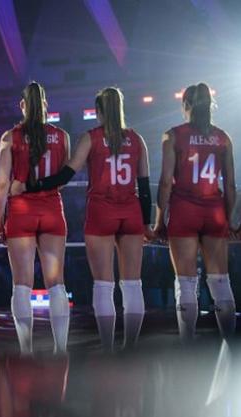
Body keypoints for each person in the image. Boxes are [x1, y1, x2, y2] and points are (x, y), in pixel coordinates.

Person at [20, 87, 152, 350]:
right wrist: (147, 223)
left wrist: (31, 186)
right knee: (132, 284)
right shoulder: (137, 139)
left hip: (102, 212)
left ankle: (107, 346)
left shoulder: (91, 138)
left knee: (104, 284)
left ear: (99, 112)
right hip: (131, 212)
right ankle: (132, 347)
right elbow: (145, 187)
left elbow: (65, 176)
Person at [0, 82, 71, 355]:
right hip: (51, 210)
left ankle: (25, 351)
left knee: (22, 284)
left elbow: (3, 185)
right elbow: (61, 180)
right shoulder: (61, 136)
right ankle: (61, 349)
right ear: (46, 105)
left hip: (22, 213)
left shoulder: (10, 136)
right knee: (56, 283)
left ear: (22, 106)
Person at [155, 83, 236, 340]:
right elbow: (231, 185)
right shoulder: (223, 137)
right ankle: (230, 347)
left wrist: (159, 222)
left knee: (186, 283)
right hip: (214, 212)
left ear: (186, 105)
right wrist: (231, 221)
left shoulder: (173, 135)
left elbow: (166, 181)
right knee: (220, 282)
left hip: (184, 210)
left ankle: (187, 346)